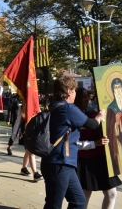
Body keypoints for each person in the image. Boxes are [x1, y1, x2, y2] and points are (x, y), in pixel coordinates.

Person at [41, 76, 106, 209]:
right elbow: (92, 124)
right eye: (74, 90)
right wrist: (99, 117)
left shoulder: (55, 105)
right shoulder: (68, 108)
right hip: (59, 162)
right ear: (69, 91)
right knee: (54, 204)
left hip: (63, 162)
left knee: (79, 201)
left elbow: (68, 125)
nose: (75, 93)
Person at [75, 87, 122, 209]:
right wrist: (95, 143)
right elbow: (73, 143)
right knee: (85, 195)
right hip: (85, 160)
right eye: (83, 96)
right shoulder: (74, 116)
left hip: (101, 159)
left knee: (111, 193)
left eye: (88, 96)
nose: (87, 99)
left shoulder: (94, 113)